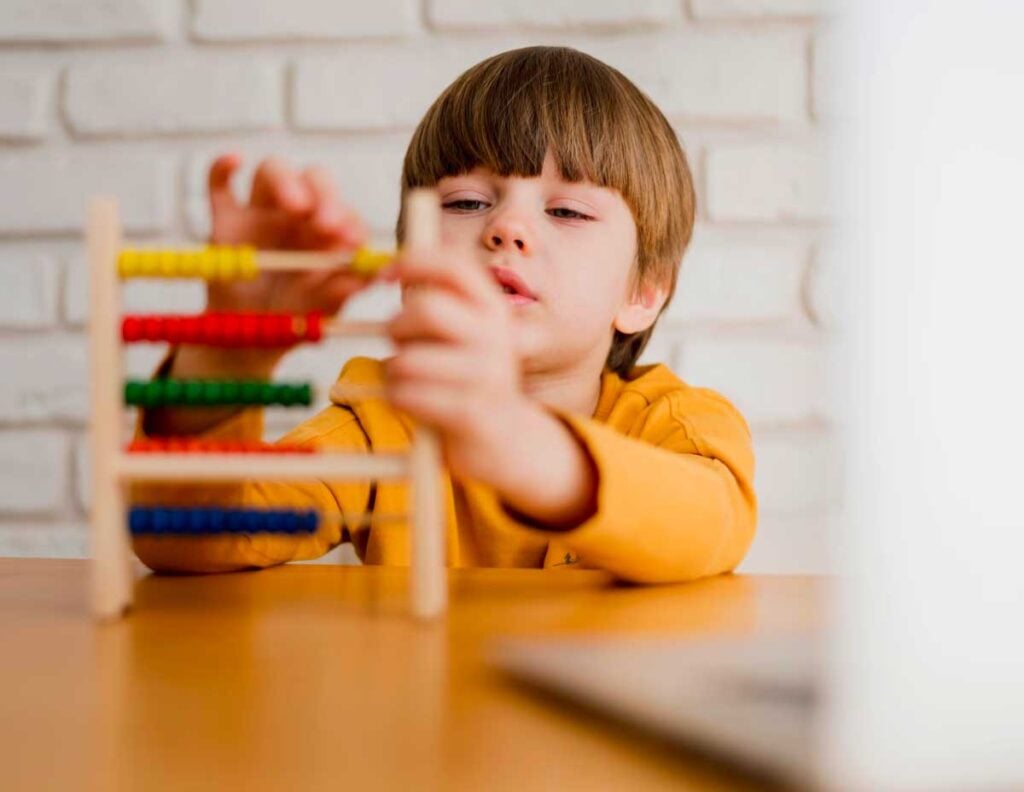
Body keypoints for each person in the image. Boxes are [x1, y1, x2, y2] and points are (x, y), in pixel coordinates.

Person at [132, 46, 756, 583]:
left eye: (565, 211)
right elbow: (186, 540)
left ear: (644, 291)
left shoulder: (681, 426)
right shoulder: (385, 426)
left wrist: (518, 440)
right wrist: (230, 355)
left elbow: (710, 526)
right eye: (464, 202)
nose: (506, 227)